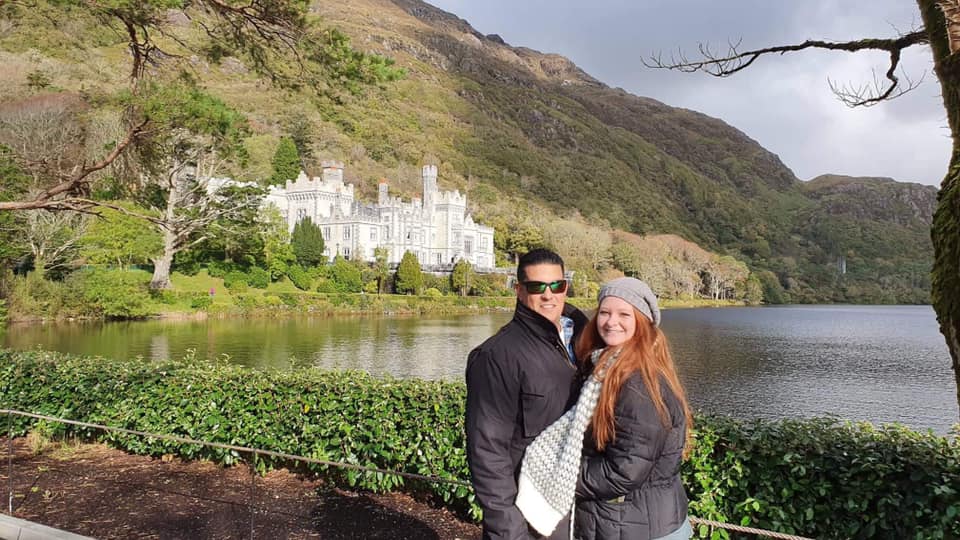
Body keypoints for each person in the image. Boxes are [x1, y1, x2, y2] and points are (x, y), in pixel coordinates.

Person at [466, 248, 589, 540]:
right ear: (519, 291)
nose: (549, 295)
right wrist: (508, 530)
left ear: (565, 287)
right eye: (537, 287)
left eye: (557, 286)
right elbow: (487, 451)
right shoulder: (498, 355)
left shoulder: (587, 340)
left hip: (578, 510)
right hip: (528, 516)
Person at [573, 277, 693, 540]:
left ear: (642, 322)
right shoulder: (608, 367)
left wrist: (564, 474)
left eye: (624, 314)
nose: (611, 321)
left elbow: (624, 471)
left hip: (638, 528)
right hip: (633, 522)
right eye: (604, 312)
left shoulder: (637, 383)